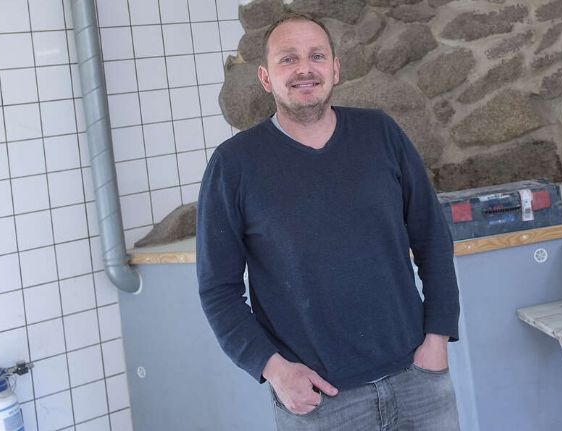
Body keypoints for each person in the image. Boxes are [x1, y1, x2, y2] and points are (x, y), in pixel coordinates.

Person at [195, 12, 462, 430]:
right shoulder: (234, 166)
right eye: (288, 59)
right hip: (320, 402)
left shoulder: (381, 134)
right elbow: (218, 290)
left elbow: (433, 238)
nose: (304, 68)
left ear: (335, 69)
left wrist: (438, 338)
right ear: (265, 78)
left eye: (316, 56)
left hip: (417, 381)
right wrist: (274, 369)